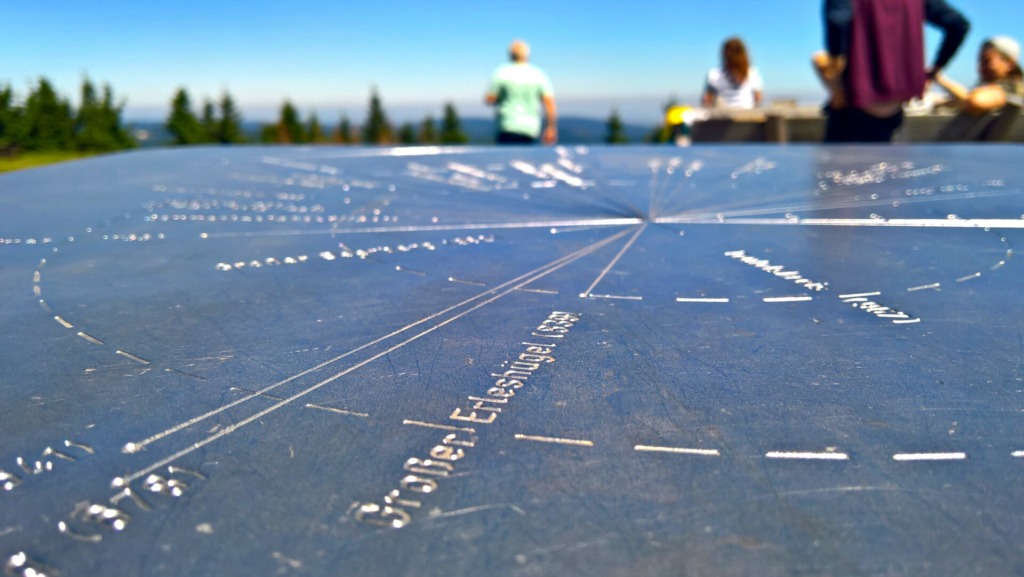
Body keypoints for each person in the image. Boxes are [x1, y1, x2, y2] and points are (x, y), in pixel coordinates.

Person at [818, 0, 969, 142]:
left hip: (852, 109)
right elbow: (958, 25)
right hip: (895, 111)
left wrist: (837, 83)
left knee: (837, 168)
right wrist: (934, 71)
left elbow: (837, 21)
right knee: (895, 166)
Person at [485, 40, 557, 145]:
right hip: (530, 128)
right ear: (527, 55)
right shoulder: (538, 74)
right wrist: (551, 128)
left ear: (510, 55)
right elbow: (549, 104)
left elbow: (490, 99)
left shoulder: (501, 72)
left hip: (507, 126)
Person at [934, 36, 1024, 115]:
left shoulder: (1012, 90)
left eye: (986, 61)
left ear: (1009, 64)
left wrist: (939, 79)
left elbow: (975, 101)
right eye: (980, 61)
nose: (981, 67)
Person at [702, 37, 764, 109]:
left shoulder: (714, 74)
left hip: (722, 117)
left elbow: (707, 100)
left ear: (724, 54)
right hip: (747, 116)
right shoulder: (752, 73)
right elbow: (758, 98)